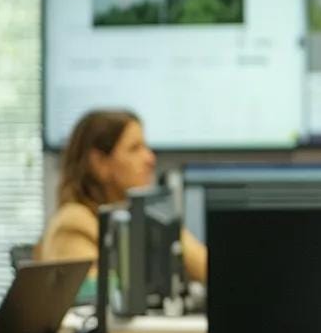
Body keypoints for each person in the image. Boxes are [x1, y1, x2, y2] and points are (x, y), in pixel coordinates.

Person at [37, 109, 207, 283]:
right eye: (135, 149)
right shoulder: (74, 222)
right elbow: (92, 297)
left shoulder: (133, 216)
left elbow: (209, 271)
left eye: (145, 147)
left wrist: (170, 229)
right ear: (99, 163)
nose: (150, 159)